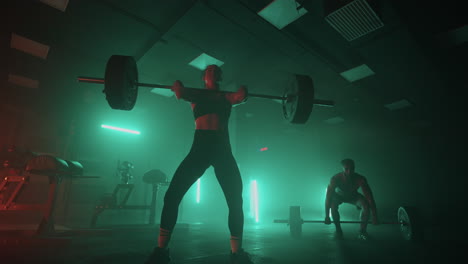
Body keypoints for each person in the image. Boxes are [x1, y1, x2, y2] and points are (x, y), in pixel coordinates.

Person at [145, 65, 253, 264]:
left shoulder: (225, 96)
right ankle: (161, 251)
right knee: (172, 196)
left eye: (215, 70)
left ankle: (237, 253)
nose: (212, 71)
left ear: (219, 75)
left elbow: (240, 96)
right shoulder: (195, 95)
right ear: (204, 77)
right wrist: (177, 86)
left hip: (222, 149)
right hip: (200, 149)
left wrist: (243, 91)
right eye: (209, 70)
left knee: (235, 200)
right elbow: (179, 90)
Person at [324, 159, 378, 240]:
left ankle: (362, 232)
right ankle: (338, 230)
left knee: (365, 205)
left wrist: (374, 215)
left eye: (352, 169)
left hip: (353, 196)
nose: (349, 172)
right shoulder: (335, 179)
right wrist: (327, 216)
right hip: (338, 196)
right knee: (333, 206)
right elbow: (328, 198)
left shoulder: (360, 179)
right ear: (342, 169)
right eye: (346, 169)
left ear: (354, 168)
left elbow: (369, 197)